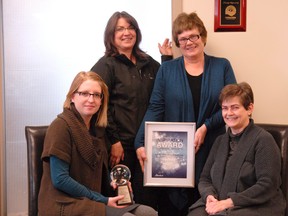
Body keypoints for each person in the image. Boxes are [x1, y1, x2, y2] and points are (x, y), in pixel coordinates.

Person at [134, 12, 237, 216]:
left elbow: (231, 105)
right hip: (174, 153)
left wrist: (205, 127)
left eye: (193, 36)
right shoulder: (167, 70)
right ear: (178, 43)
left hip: (211, 148)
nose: (189, 42)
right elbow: (156, 107)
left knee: (206, 202)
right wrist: (140, 142)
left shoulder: (222, 66)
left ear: (203, 37)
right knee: (172, 207)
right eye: (183, 38)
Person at [37, 71, 157, 216]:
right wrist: (102, 200)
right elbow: (60, 180)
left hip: (91, 199)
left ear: (102, 100)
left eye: (96, 95)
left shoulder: (98, 129)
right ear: (73, 97)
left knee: (148, 212)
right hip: (64, 203)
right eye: (85, 93)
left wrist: (114, 184)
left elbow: (95, 174)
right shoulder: (60, 126)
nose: (91, 99)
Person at [90, 11, 172, 207]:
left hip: (148, 145)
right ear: (111, 35)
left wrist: (167, 60)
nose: (126, 32)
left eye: (130, 27)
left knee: (149, 200)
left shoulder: (148, 63)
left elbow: (165, 90)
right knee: (123, 201)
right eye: (120, 29)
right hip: (121, 148)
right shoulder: (105, 65)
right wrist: (114, 141)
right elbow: (100, 105)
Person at [188, 82, 286, 216]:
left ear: (249, 108)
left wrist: (228, 202)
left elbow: (267, 185)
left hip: (255, 205)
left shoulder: (264, 140)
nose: (229, 113)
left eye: (234, 107)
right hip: (218, 202)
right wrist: (209, 196)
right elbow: (205, 178)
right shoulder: (219, 141)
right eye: (224, 108)